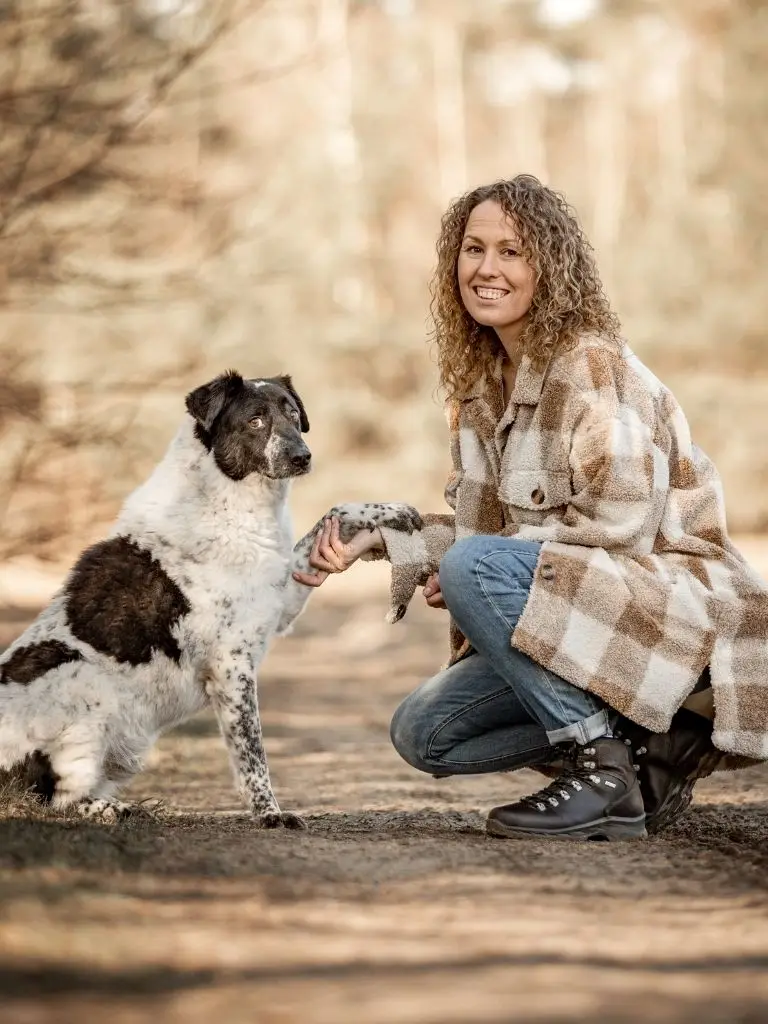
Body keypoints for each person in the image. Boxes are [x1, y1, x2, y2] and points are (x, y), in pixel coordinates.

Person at [294, 175, 768, 841]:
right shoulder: (483, 392)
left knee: (473, 568)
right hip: (594, 608)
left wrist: (480, 572)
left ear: (552, 266)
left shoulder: (590, 366)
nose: (487, 269)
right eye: (473, 249)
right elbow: (479, 535)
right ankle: (654, 753)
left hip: (677, 610)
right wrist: (375, 534)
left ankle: (600, 769)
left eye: (512, 252)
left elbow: (622, 525)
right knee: (425, 733)